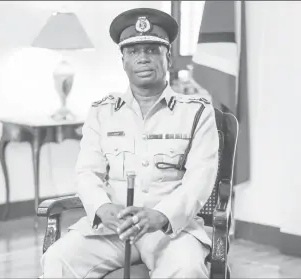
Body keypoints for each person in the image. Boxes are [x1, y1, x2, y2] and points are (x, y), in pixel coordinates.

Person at [41, 7, 219, 278]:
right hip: (112, 231)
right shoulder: (102, 111)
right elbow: (88, 172)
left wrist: (160, 216)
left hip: (170, 231)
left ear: (168, 57)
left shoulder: (197, 111)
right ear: (123, 60)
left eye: (152, 50)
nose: (143, 58)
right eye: (134, 51)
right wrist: (102, 207)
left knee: (187, 269)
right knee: (57, 260)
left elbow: (200, 179)